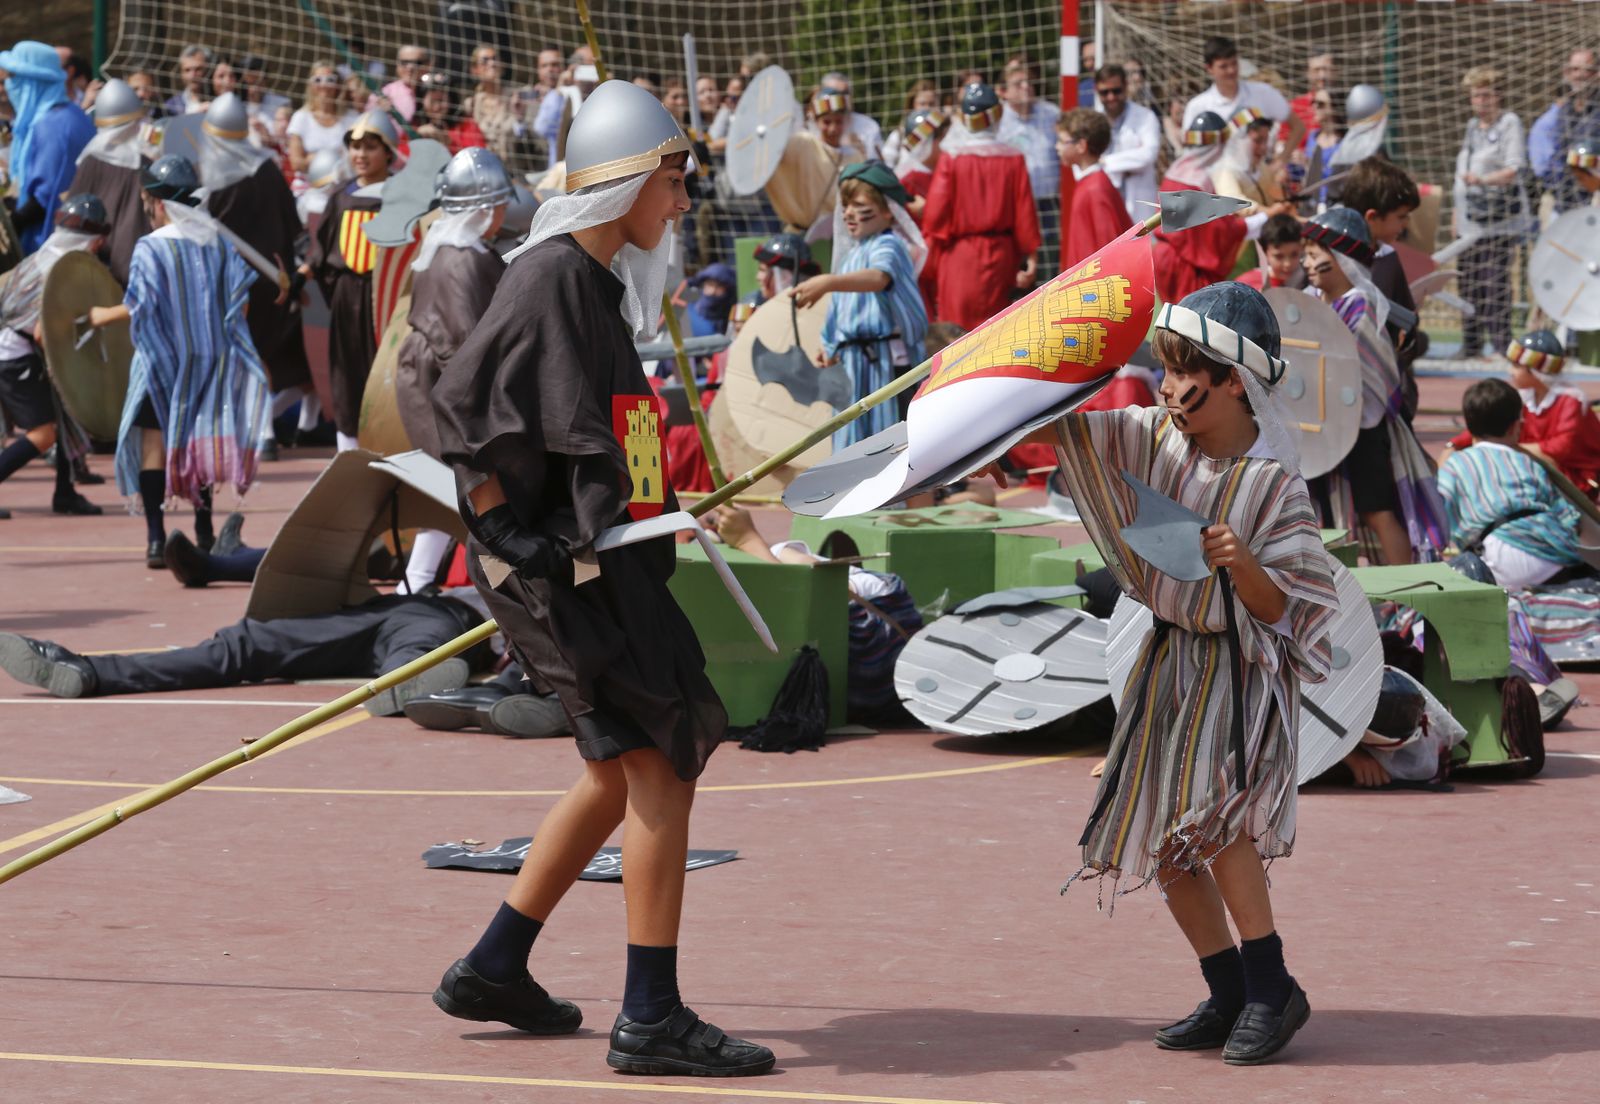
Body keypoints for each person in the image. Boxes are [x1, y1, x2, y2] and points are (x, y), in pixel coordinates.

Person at [428, 78, 776, 1077]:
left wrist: (667, 504)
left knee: (611, 766)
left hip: (604, 559)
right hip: (564, 576)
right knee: (662, 760)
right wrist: (502, 527)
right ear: (624, 180)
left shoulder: (598, 280)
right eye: (672, 180)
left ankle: (493, 965)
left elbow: (606, 440)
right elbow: (457, 409)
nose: (681, 202)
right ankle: (651, 1016)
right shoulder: (547, 279)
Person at [992, 282, 1338, 1064]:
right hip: (1165, 661)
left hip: (1236, 668)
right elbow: (1063, 431)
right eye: (1166, 369)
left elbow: (1291, 610)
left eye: (1190, 374)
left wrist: (1242, 562)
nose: (1171, 389)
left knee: (1214, 823)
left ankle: (1272, 986)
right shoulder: (1152, 436)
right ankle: (1227, 992)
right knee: (1161, 838)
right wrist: (1008, 365)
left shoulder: (1274, 485)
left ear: (1235, 381)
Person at [90, 155, 271, 568]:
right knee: (197, 443)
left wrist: (100, 315)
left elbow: (139, 306)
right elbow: (238, 308)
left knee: (153, 445)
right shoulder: (218, 244)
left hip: (161, 364)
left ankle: (156, 539)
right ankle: (204, 531)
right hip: (208, 363)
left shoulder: (150, 247)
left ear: (157, 202)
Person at [0, 592, 487, 716]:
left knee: (416, 641)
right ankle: (84, 671)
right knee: (247, 643)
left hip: (453, 618)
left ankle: (407, 678)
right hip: (385, 611)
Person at [1301, 207, 1446, 565]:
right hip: (1321, 427)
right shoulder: (1312, 302)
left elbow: (1367, 369)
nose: (1306, 262)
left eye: (1314, 254)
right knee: (1325, 516)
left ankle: (1402, 594)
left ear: (1340, 259)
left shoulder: (1361, 306)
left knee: (1377, 512)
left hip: (1363, 425)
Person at [396, 147, 512, 596]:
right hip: (442, 383)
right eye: (499, 203)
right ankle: (419, 587)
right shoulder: (460, 259)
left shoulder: (458, 249)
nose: (504, 211)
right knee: (468, 486)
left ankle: (416, 585)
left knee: (457, 488)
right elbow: (466, 343)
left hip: (436, 377)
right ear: (483, 209)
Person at [793, 160, 928, 446]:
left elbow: (879, 277)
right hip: (854, 366)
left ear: (887, 210)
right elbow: (842, 308)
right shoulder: (852, 256)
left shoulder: (888, 244)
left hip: (885, 364)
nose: (849, 213)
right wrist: (829, 344)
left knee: (896, 447)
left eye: (858, 204)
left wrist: (828, 282)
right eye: (845, 204)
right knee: (857, 445)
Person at [198, 93, 311, 417]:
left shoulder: (206, 177)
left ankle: (263, 429)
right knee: (256, 351)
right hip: (269, 279)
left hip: (228, 280)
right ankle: (261, 426)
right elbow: (293, 226)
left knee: (243, 353)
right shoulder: (268, 168)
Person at [0, 193, 108, 518]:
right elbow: (41, 332)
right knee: (43, 434)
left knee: (63, 418)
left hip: (17, 350)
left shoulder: (40, 258)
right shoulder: (58, 271)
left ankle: (66, 492)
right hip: (14, 354)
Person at [301, 111, 396, 452]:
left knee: (383, 370)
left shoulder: (401, 195)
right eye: (355, 147)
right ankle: (348, 449)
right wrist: (304, 274)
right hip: (345, 295)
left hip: (384, 296)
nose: (360, 155)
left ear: (387, 151)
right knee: (346, 373)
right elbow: (323, 247)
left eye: (369, 146)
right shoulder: (341, 195)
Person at [1438, 378, 1584, 588]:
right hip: (1552, 554)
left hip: (1496, 554)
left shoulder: (1457, 464)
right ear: (1515, 427)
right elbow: (1568, 516)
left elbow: (1437, 510)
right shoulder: (1528, 462)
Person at [922, 82, 1038, 330]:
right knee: (1001, 336)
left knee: (956, 340)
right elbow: (1024, 214)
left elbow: (935, 217)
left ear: (965, 118)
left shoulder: (951, 159)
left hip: (960, 257)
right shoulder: (1014, 158)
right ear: (997, 114)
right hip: (1002, 257)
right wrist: (1031, 257)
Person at [1447, 330, 1600, 499]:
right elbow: (1490, 424)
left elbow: (1560, 449)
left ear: (1536, 372)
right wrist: (1454, 444)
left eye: (1517, 366)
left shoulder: (1570, 401)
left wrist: (1503, 447)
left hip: (1574, 477)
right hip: (1538, 466)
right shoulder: (1525, 395)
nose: (1510, 371)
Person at [1452, 67, 1529, 360]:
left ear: (1498, 96)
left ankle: (1500, 345)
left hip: (1499, 220)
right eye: (1475, 96)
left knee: (1494, 280)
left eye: (1485, 94)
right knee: (1468, 279)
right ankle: (1470, 344)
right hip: (1470, 218)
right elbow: (1462, 172)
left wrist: (1483, 180)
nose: (1480, 101)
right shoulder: (1472, 127)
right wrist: (1456, 214)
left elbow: (1514, 168)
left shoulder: (1509, 123)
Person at [1341, 157, 1426, 416]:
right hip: (1340, 384)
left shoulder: (1387, 258)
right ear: (1372, 217)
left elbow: (1405, 324)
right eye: (1401, 217)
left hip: (1383, 389)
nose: (1406, 225)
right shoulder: (1331, 260)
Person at [1, 41, 94, 254]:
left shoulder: (53, 125)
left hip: (51, 247)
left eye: (13, 78)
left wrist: (13, 224)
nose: (8, 86)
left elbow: (46, 196)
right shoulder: (70, 114)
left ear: (32, 82)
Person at [1151, 112, 1248, 306]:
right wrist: (1248, 224)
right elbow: (1214, 232)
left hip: (1167, 259)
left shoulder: (1175, 172)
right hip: (1185, 266)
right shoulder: (1195, 181)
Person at [66, 77, 155, 285]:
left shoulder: (92, 159)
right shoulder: (147, 162)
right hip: (136, 259)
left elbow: (72, 216)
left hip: (99, 263)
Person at [1183, 35, 1303, 156]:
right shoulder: (1197, 106)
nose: (1231, 70)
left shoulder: (1263, 93)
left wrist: (1281, 161)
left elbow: (1298, 126)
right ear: (1209, 68)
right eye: (1223, 66)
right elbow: (1190, 152)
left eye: (1234, 63)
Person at [996, 58, 1061, 277]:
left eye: (1029, 82)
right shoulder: (998, 120)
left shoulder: (1050, 113)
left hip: (1048, 203)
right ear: (1003, 91)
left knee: (1049, 263)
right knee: (1018, 265)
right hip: (1013, 205)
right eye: (1018, 83)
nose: (1027, 87)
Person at [1056, 107, 1132, 271]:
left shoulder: (1095, 188)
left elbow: (1108, 246)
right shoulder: (1090, 183)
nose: (1057, 147)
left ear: (1081, 146)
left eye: (1062, 141)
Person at [1529, 48, 1600, 218]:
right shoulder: (1564, 111)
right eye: (1574, 69)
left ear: (1597, 74)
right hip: (1563, 203)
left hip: (1594, 203)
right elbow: (1557, 156)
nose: (1579, 75)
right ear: (1566, 73)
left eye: (1587, 70)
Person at [1095, 63, 1161, 222]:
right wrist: (1130, 163)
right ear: (1097, 91)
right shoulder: (1093, 121)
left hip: (1138, 202)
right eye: (1105, 92)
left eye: (1116, 91)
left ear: (1125, 87)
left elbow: (1148, 155)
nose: (1111, 97)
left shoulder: (1146, 117)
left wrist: (1105, 162)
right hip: (1105, 200)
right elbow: (1083, 163)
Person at [1212, 107, 1291, 218]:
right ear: (1238, 139)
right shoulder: (1224, 169)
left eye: (1266, 140)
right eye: (1258, 141)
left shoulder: (1261, 167)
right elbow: (1232, 200)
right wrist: (1268, 212)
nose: (1263, 147)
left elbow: (1273, 194)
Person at [286, 62, 358, 177]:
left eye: (330, 80)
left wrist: (313, 158)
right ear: (311, 85)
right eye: (318, 80)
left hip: (345, 182)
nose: (324, 85)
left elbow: (359, 157)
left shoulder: (353, 118)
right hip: (309, 186)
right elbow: (296, 163)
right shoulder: (300, 117)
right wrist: (337, 157)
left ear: (337, 85)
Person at [465, 45, 519, 163]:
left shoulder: (516, 98)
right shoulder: (471, 105)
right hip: (483, 168)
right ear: (475, 70)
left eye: (495, 59)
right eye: (485, 61)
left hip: (514, 170)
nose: (492, 63)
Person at [414, 71, 486, 153]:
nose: (437, 107)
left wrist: (449, 143)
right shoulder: (414, 124)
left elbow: (477, 155)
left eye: (441, 100)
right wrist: (416, 136)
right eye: (432, 101)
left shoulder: (466, 125)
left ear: (451, 100)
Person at [817, 71, 882, 160]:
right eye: (832, 93)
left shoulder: (869, 126)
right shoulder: (809, 127)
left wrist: (860, 152)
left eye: (844, 93)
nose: (839, 99)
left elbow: (876, 162)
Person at [878, 79, 940, 171]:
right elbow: (887, 165)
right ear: (912, 105)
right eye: (922, 104)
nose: (927, 108)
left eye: (931, 104)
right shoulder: (899, 135)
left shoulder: (944, 135)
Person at [1236, 213, 1305, 291]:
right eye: (1279, 256)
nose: (1287, 264)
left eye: (1294, 255)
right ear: (1264, 252)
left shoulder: (1309, 281)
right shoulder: (1247, 286)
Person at [371, 43, 427, 123]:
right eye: (404, 62)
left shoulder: (437, 92)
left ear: (428, 65)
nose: (410, 67)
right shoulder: (385, 93)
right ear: (397, 65)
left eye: (417, 63)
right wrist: (379, 113)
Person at [1288, 50, 1335, 138]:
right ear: (1308, 73)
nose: (1322, 76)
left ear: (1335, 71)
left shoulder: (1348, 105)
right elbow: (1282, 143)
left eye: (1326, 69)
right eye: (1316, 70)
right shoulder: (1294, 107)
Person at [684, 262, 736, 338]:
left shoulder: (732, 317)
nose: (712, 291)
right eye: (710, 284)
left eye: (719, 287)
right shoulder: (686, 312)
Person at [162, 44, 212, 116]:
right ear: (181, 74)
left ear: (208, 69)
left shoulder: (218, 101)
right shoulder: (171, 107)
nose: (192, 75)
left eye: (198, 69)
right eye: (187, 70)